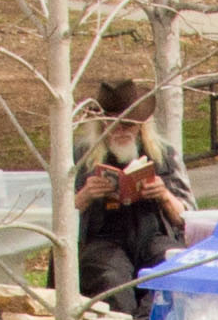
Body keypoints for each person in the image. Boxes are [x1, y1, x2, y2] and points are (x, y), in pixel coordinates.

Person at [71, 80, 197, 298]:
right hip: (103, 239)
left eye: (128, 125)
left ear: (141, 125)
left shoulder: (164, 154)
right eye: (113, 125)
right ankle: (123, 319)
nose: (121, 131)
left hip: (153, 236)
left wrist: (164, 195)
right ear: (102, 124)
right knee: (111, 279)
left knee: (170, 267)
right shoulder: (82, 156)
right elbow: (59, 218)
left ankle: (151, 318)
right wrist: (85, 195)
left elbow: (188, 218)